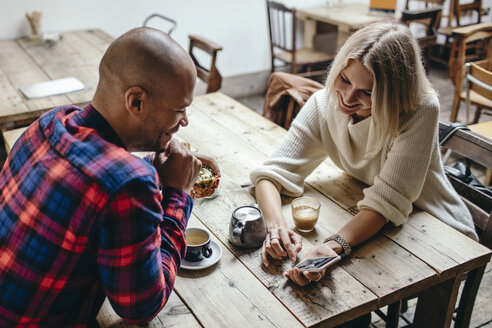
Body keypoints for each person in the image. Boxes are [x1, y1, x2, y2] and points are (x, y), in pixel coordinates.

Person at [0, 27, 219, 327]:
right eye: (179, 109)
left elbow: (100, 175)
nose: (184, 121)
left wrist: (153, 171)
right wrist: (178, 193)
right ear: (136, 102)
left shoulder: (50, 121)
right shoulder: (130, 185)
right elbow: (142, 306)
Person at [250, 22, 477, 288]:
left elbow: (386, 201)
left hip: (434, 224)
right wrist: (276, 227)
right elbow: (271, 174)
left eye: (367, 92)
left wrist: (335, 245)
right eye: (344, 79)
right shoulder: (324, 104)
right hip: (372, 212)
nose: (346, 97)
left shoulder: (420, 110)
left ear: (392, 93)